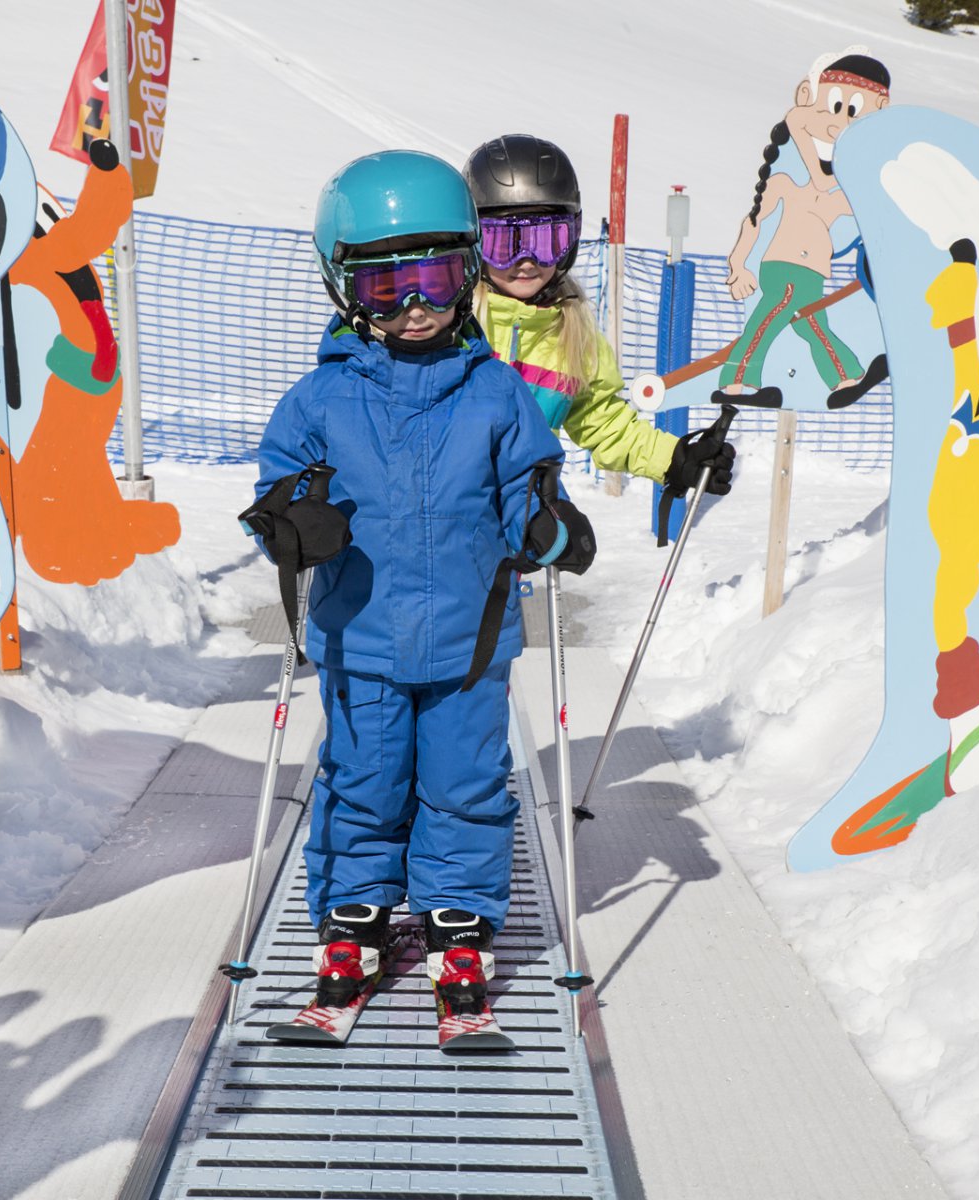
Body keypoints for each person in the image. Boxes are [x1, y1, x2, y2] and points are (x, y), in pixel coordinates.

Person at [241, 149, 593, 1024]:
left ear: (468, 270)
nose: (415, 307)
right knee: (361, 778)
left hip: (470, 645)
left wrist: (546, 520)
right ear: (343, 287)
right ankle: (354, 918)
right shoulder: (319, 399)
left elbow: (525, 486)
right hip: (359, 638)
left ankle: (455, 922)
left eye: (436, 278)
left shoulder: (498, 394)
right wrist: (293, 519)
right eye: (386, 287)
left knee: (467, 784)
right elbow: (280, 483)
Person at [463, 133, 735, 510]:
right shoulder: (453, 322)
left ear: (569, 241)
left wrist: (675, 459)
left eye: (545, 241)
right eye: (505, 243)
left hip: (515, 532)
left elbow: (605, 422)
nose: (526, 260)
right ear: (474, 241)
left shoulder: (571, 335)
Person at [716, 50, 891, 409]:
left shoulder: (837, 195)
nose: (837, 124)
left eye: (855, 113)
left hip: (812, 274)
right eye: (834, 106)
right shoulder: (786, 183)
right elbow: (755, 220)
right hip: (783, 268)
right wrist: (739, 266)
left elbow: (873, 218)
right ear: (804, 101)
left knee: (812, 325)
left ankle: (845, 377)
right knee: (767, 319)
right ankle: (736, 382)